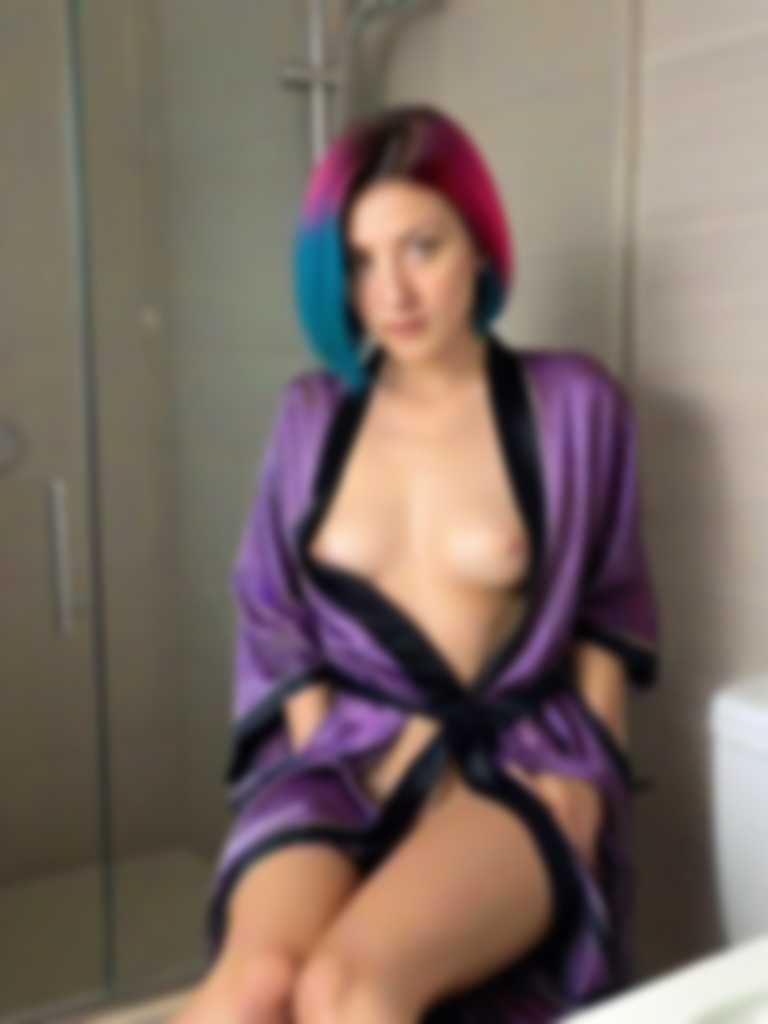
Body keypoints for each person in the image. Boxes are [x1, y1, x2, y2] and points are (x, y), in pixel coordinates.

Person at [174, 103, 661, 1023]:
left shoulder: (574, 402)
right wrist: (324, 760)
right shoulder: (311, 413)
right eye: (359, 262)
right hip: (344, 760)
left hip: (514, 764)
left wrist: (596, 782)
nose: (391, 292)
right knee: (256, 986)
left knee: (347, 989)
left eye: (421, 248)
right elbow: (273, 610)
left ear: (480, 244)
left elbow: (610, 601)